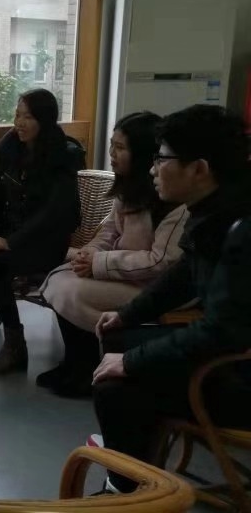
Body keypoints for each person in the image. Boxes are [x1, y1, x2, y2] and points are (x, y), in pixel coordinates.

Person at [90, 105, 251, 494]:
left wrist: (131, 361)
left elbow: (221, 332)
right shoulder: (215, 209)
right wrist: (127, 314)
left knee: (115, 387)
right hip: (225, 352)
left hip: (239, 375)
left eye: (161, 159)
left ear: (199, 168)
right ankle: (136, 460)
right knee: (116, 337)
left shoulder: (241, 228)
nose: (152, 170)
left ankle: (128, 492)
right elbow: (183, 276)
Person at [38, 112, 188, 398]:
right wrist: (89, 254)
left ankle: (86, 368)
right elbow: (108, 232)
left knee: (72, 290)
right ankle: (75, 362)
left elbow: (161, 262)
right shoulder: (128, 189)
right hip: (126, 275)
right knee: (62, 278)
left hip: (155, 286)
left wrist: (99, 263)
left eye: (120, 147)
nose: (112, 154)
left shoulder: (174, 203)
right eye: (111, 145)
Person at [0, 88, 84, 375]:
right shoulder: (10, 149)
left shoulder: (64, 156)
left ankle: (15, 345)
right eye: (17, 115)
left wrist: (9, 241)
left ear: (44, 120)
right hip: (8, 236)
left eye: (28, 117)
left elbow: (52, 214)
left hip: (45, 243)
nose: (19, 123)